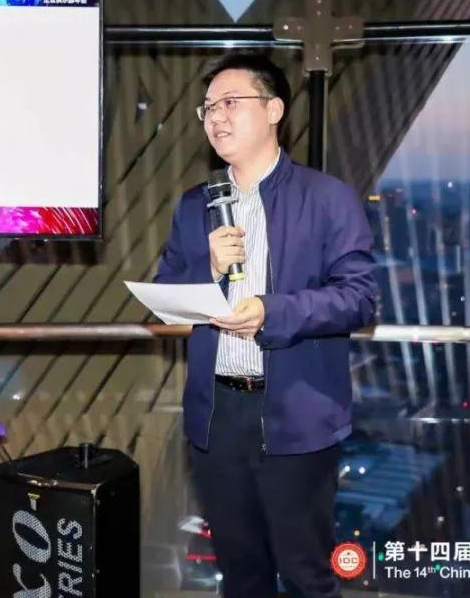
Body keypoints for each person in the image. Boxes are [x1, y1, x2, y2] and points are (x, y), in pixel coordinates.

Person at [154, 53, 379, 597]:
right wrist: (208, 269)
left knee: (304, 574)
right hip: (216, 414)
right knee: (241, 572)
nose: (215, 117)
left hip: (298, 413)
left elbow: (359, 297)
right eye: (208, 108)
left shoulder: (326, 198)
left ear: (274, 109)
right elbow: (165, 299)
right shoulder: (195, 206)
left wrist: (272, 312)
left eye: (230, 103)